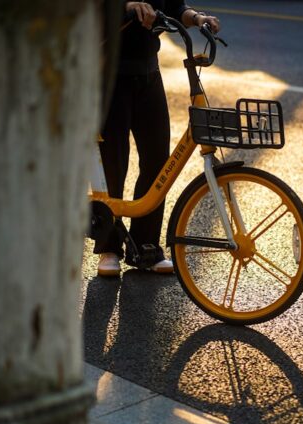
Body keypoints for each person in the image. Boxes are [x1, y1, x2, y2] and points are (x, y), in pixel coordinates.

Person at [96, 1, 221, 277]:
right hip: (109, 74)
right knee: (113, 164)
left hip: (148, 74)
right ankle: (109, 247)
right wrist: (128, 6)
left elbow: (176, 7)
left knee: (157, 161)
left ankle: (145, 246)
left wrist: (198, 18)